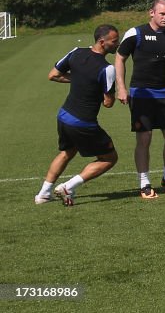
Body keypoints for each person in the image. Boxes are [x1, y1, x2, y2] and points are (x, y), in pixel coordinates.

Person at [35, 25, 121, 207]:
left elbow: (53, 75)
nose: (117, 44)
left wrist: (79, 79)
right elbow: (108, 103)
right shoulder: (108, 69)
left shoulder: (76, 52)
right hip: (83, 123)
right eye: (114, 41)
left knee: (67, 152)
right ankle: (68, 186)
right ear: (102, 42)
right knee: (109, 158)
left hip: (64, 115)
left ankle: (43, 194)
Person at [115, 0, 165, 199]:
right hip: (141, 94)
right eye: (162, 13)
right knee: (144, 138)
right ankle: (144, 182)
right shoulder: (135, 33)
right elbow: (120, 58)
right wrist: (121, 88)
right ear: (151, 13)